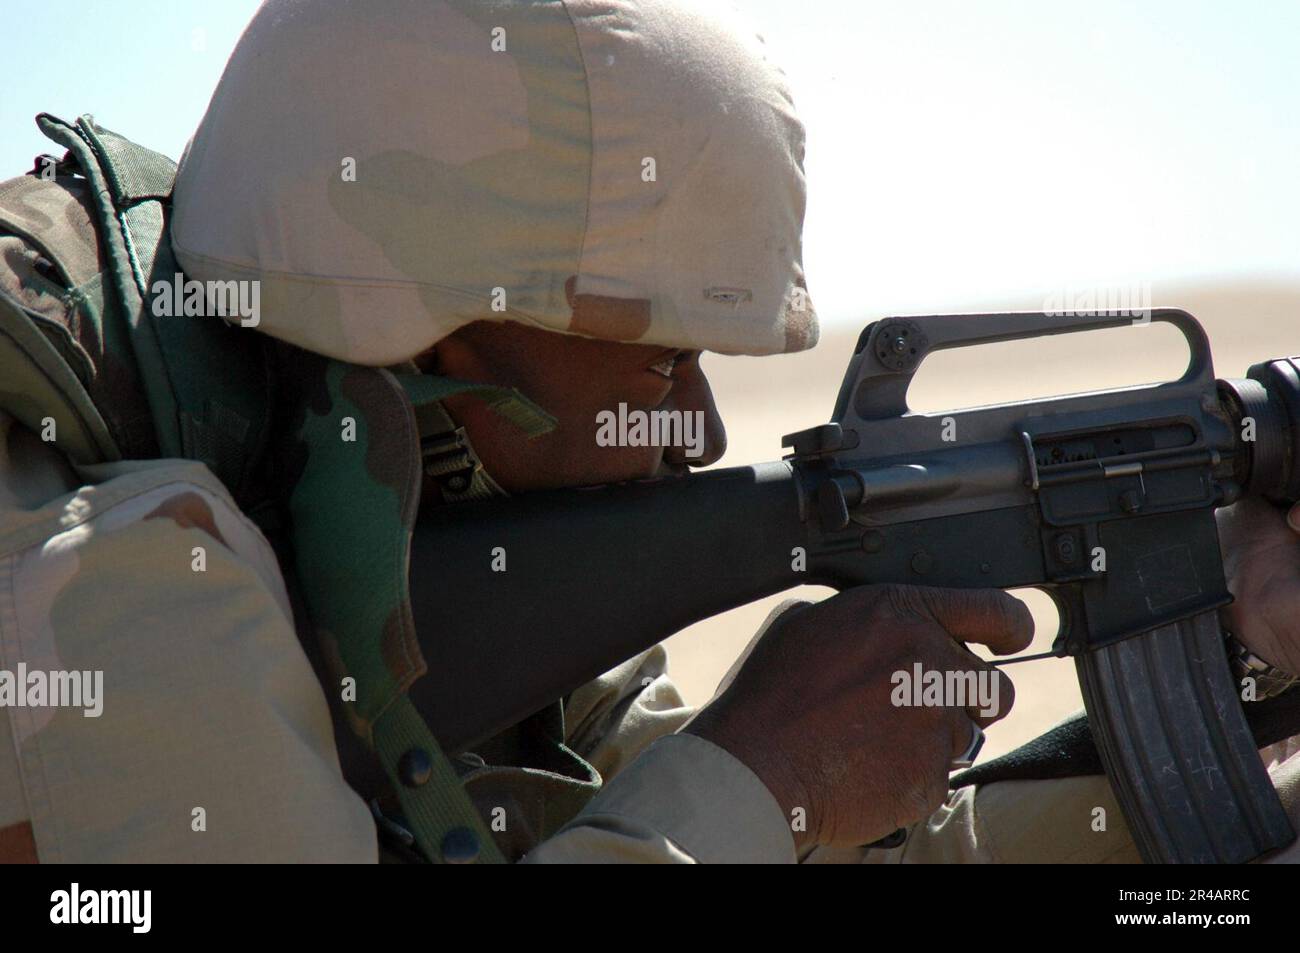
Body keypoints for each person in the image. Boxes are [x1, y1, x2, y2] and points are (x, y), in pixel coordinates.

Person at [1, 0, 1297, 863]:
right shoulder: (93, 576)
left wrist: (1243, 677)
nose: (700, 427)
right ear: (437, 333)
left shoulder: (416, 530)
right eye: (666, 360)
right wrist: (749, 773)